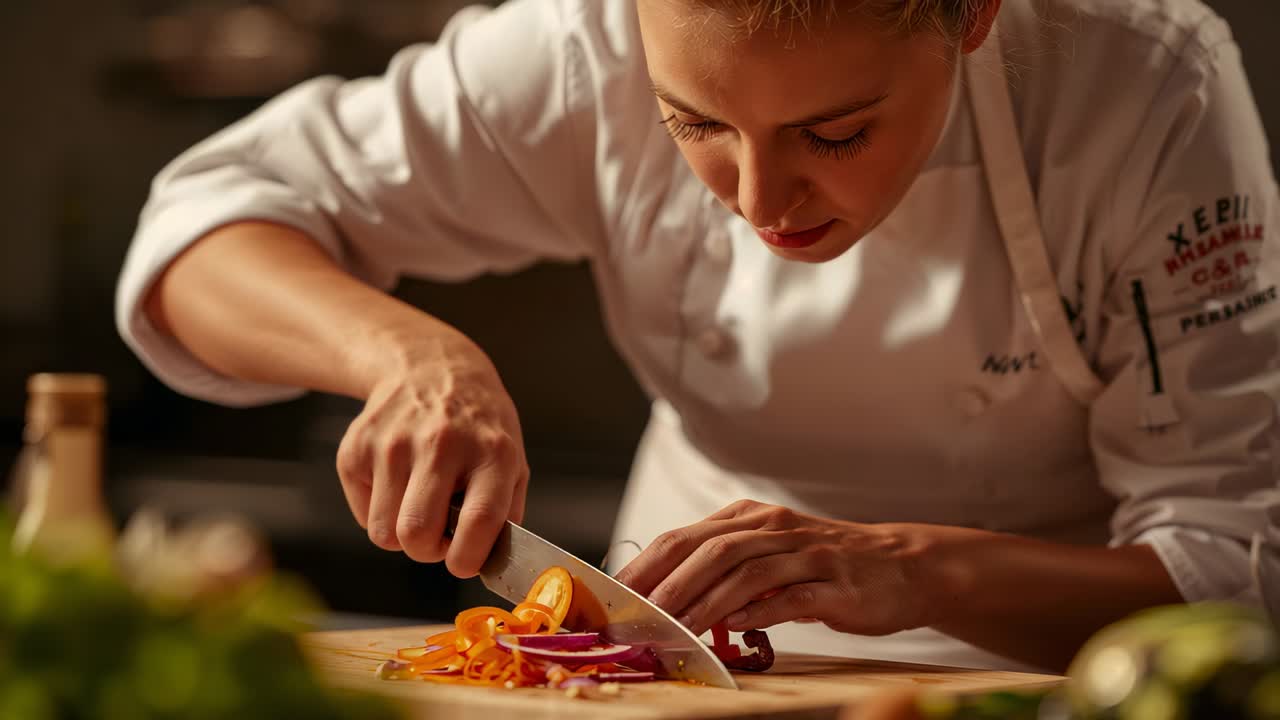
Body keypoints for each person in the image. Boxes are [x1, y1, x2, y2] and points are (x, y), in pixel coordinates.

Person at [116, 0, 1280, 674]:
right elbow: (202, 225)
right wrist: (410, 357)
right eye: (696, 124)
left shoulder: (1141, 86)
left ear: (968, 14)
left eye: (835, 131)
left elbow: (1234, 572)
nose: (761, 200)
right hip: (679, 657)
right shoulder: (581, 41)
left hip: (1051, 675)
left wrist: (907, 570)